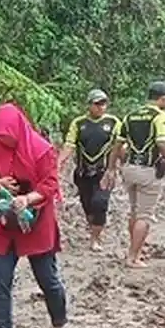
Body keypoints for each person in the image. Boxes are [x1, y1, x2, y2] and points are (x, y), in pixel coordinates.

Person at [0, 103, 68, 328]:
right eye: (0, 136)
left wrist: (28, 198)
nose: (4, 141)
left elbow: (50, 184)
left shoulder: (41, 150)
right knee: (0, 276)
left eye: (8, 136)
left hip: (36, 220)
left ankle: (58, 322)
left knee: (47, 277)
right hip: (7, 222)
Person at [113, 81, 165, 269]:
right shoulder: (160, 116)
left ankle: (135, 251)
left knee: (134, 211)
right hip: (148, 170)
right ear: (162, 99)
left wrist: (110, 168)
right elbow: (163, 144)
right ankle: (133, 257)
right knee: (145, 216)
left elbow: (117, 145)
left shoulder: (130, 116)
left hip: (129, 169)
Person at [59, 89, 122, 251]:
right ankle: (94, 227)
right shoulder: (79, 123)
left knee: (99, 203)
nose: (101, 107)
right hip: (83, 172)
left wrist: (121, 162)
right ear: (89, 105)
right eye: (97, 104)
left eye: (104, 103)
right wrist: (59, 162)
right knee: (87, 205)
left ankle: (95, 238)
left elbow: (120, 144)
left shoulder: (113, 122)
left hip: (104, 172)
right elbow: (70, 145)